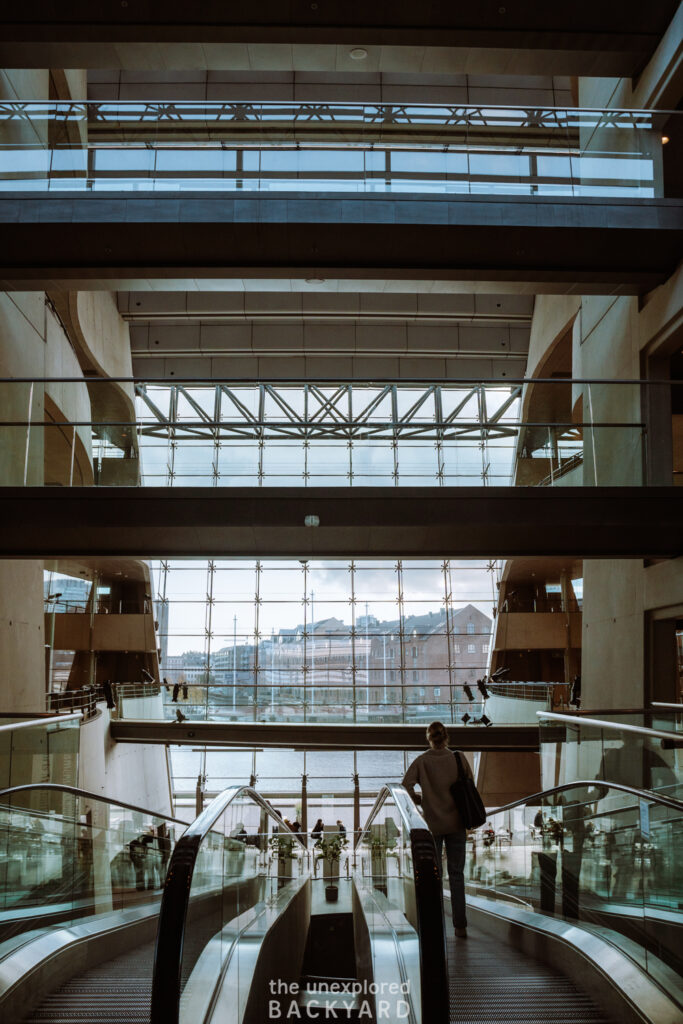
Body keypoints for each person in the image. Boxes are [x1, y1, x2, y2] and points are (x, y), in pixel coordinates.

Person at [402, 720, 473, 938]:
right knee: (456, 874)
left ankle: (435, 925)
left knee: (435, 876)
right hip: (457, 824)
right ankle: (460, 926)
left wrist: (421, 800)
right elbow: (470, 784)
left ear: (429, 738)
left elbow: (405, 785)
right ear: (446, 737)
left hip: (433, 825)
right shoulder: (458, 758)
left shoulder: (422, 761)